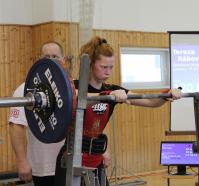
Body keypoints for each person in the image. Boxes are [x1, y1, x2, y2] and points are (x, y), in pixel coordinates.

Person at [54, 36, 182, 186]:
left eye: (111, 67)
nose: (108, 72)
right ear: (90, 64)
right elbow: (77, 97)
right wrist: (107, 96)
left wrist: (167, 94)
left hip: (95, 159)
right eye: (103, 67)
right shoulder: (74, 87)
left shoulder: (113, 90)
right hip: (70, 158)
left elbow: (150, 101)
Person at [9, 41, 66, 186]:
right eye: (47, 56)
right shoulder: (26, 90)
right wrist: (22, 161)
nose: (51, 60)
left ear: (63, 60)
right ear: (40, 60)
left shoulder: (70, 89)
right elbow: (16, 126)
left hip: (70, 163)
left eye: (55, 56)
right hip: (43, 167)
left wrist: (104, 151)